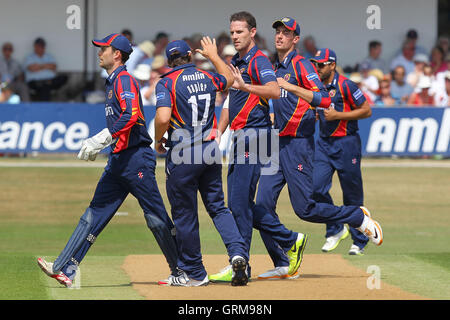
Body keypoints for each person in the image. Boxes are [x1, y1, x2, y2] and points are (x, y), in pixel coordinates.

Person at [37, 33, 179, 288]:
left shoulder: (124, 79)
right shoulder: (112, 81)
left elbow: (132, 114)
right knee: (94, 212)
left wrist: (103, 137)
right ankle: (64, 267)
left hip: (136, 159)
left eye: (104, 48)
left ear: (117, 54)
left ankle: (181, 269)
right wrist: (107, 144)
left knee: (155, 217)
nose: (99, 52)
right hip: (119, 160)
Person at [254, 32, 382, 276]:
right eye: (277, 32)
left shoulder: (301, 64)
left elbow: (324, 98)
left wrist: (291, 87)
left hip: (300, 144)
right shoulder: (274, 66)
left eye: (286, 33)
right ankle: (283, 261)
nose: (279, 36)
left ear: (295, 39)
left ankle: (356, 216)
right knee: (261, 206)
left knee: (305, 210)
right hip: (277, 143)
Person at [209, 12, 307, 283]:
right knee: (239, 204)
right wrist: (219, 132)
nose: (235, 36)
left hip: (256, 135)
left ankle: (245, 258)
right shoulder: (235, 61)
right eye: (232, 32)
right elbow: (231, 99)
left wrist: (245, 85)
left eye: (240, 32)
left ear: (252, 32)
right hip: (241, 136)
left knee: (238, 204)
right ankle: (250, 258)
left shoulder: (259, 59)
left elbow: (274, 90)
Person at [154, 38, 249, 287]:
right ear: (190, 56)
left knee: (185, 215)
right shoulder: (206, 77)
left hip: (183, 155)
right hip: (210, 150)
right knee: (218, 207)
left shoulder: (166, 82)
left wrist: (157, 140)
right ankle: (238, 253)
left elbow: (163, 117)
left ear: (169, 61)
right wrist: (213, 55)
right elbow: (229, 79)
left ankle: (195, 272)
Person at [308, 49, 373, 255]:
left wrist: (339, 115)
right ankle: (335, 228)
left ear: (332, 65)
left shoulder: (346, 84)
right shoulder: (315, 85)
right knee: (315, 188)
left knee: (352, 194)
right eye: (315, 64)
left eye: (321, 64)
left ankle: (360, 240)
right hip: (324, 144)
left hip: (347, 143)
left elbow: (366, 110)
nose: (317, 68)